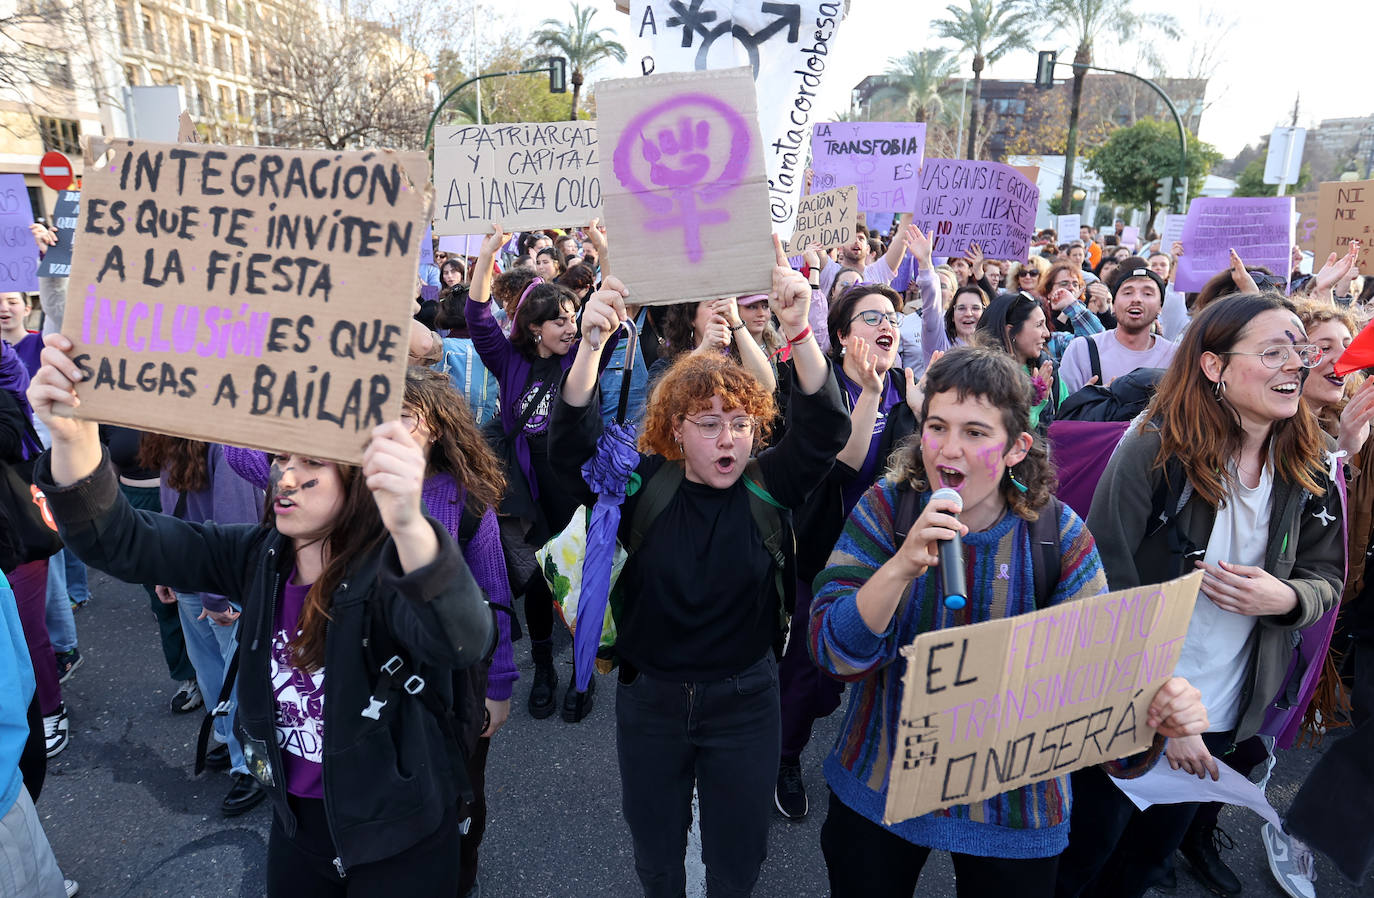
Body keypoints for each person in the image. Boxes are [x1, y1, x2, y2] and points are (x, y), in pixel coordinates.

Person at [29, 332, 497, 898]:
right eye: (281, 458)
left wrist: (407, 523)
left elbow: (464, 638)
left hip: (400, 836)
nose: (287, 477)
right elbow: (122, 541)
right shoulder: (259, 555)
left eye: (313, 463)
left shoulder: (393, 569)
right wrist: (73, 436)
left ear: (360, 477)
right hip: (297, 827)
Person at [809, 345, 1211, 898]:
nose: (949, 449)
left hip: (1014, 808)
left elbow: (1100, 695)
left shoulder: (1060, 536)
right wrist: (901, 566)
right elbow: (832, 649)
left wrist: (1161, 712)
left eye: (975, 432)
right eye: (936, 426)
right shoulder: (887, 508)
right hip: (881, 782)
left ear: (1018, 447)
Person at [549, 239, 849, 897]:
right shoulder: (640, 484)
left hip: (746, 702)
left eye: (740, 425)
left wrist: (799, 329)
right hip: (650, 701)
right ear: (674, 431)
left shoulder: (771, 484)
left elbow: (826, 429)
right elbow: (570, 448)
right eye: (708, 424)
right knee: (656, 855)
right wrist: (592, 346)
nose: (728, 439)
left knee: (738, 860)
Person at [1057, 293, 1344, 898]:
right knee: (1084, 855)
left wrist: (1286, 600)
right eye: (1274, 351)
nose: (1297, 364)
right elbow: (1100, 588)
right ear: (1214, 367)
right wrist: (1162, 708)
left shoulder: (1308, 466)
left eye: (1301, 348)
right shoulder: (1152, 451)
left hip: (1218, 715)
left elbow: (1327, 580)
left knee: (1146, 863)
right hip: (1126, 703)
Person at [775, 280, 920, 820]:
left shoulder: (907, 383)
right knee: (806, 670)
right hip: (820, 554)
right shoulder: (817, 384)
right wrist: (870, 394)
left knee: (839, 679)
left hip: (882, 558)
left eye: (892, 318)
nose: (886, 325)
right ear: (840, 335)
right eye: (871, 317)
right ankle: (785, 756)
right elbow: (843, 466)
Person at [468, 226, 608, 721]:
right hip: (530, 491)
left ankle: (583, 673)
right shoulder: (509, 362)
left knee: (586, 581)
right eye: (558, 320)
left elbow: (612, 306)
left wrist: (602, 248)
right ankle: (545, 669)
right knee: (541, 582)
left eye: (572, 316)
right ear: (533, 328)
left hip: (582, 488)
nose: (570, 326)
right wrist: (486, 256)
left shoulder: (583, 356)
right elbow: (478, 317)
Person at [139, 435, 266, 817]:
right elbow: (233, 523)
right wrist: (218, 596)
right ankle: (245, 762)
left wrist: (166, 569)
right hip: (221, 586)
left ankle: (232, 745)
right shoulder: (227, 441)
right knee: (234, 677)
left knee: (214, 671)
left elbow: (165, 513)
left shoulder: (167, 430)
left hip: (191, 576)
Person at [1059, 267, 1177, 394]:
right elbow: (1063, 408)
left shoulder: (1175, 356)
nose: (1136, 299)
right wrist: (1088, 398)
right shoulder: (1082, 350)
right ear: (1113, 305)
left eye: (1147, 293)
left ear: (1160, 307)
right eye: (1127, 293)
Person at [976, 293, 1065, 434]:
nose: (1047, 333)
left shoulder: (1047, 369)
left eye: (1045, 324)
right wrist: (1035, 402)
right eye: (1039, 325)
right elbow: (1004, 434)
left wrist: (1085, 398)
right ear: (1011, 332)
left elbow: (1065, 420)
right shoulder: (982, 375)